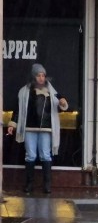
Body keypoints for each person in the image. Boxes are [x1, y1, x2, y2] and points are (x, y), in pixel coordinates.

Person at [6, 63, 69, 194]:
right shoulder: (25, 92)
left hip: (46, 129)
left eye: (43, 75)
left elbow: (58, 108)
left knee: (45, 155)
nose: (41, 78)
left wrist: (62, 103)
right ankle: (29, 185)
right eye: (38, 75)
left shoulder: (52, 93)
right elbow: (18, 110)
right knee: (30, 156)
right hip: (29, 128)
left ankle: (47, 185)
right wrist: (12, 124)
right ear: (34, 77)